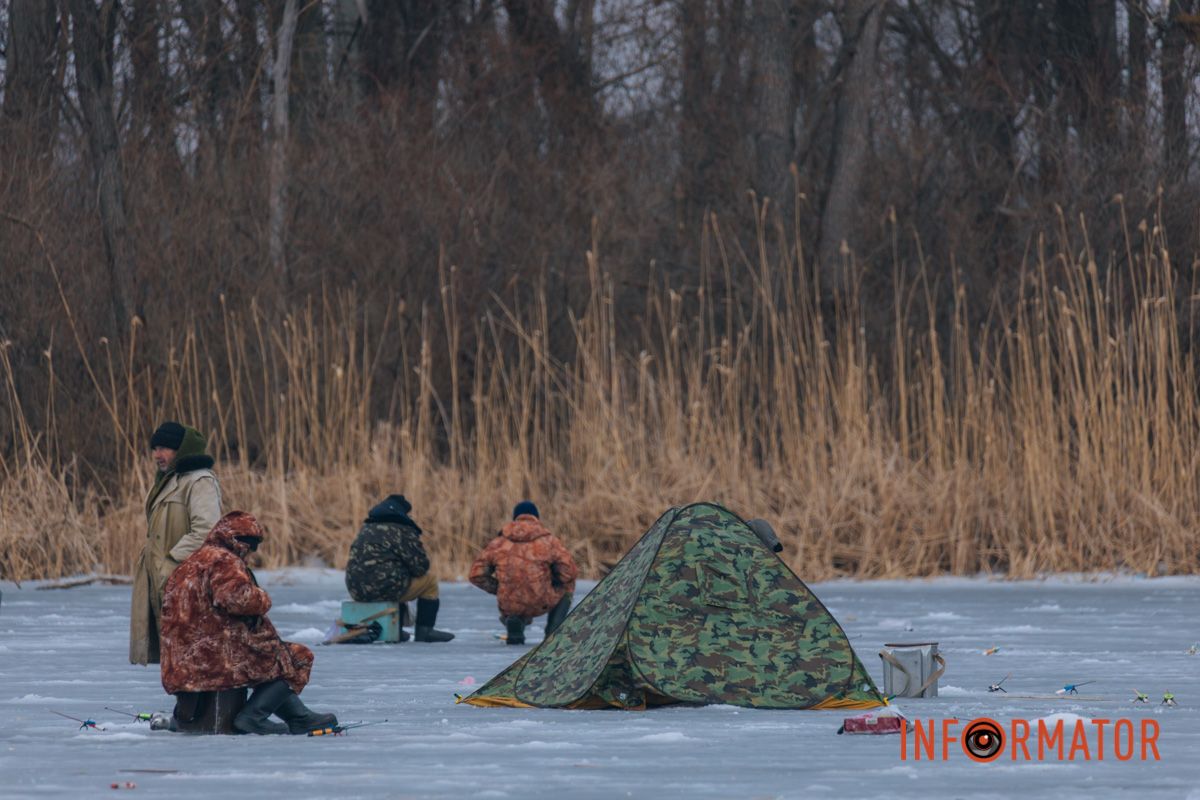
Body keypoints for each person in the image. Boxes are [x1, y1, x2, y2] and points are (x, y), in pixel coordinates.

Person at [160, 511, 339, 735]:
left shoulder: (191, 562)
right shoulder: (223, 560)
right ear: (235, 540)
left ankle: (299, 716)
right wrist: (263, 597)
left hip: (182, 663)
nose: (251, 551)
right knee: (297, 658)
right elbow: (238, 599)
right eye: (250, 545)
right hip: (216, 660)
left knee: (272, 659)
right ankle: (253, 717)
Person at [130, 421, 222, 665]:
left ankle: (193, 703)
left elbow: (207, 531)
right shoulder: (170, 480)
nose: (157, 455)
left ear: (180, 449)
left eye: (164, 448)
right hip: (167, 579)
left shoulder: (198, 480)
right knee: (174, 649)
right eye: (155, 448)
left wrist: (171, 562)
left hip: (184, 579)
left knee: (191, 648)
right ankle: (184, 703)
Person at [344, 494, 454, 643]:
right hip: (385, 589)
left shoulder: (366, 530)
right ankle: (425, 631)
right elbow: (420, 568)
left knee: (395, 578)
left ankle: (395, 630)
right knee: (429, 581)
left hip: (356, 591)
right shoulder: (402, 531)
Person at [469, 501, 578, 645]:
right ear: (536, 517)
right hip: (541, 600)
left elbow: (476, 574)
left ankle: (515, 622)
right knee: (569, 585)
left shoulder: (499, 542)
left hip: (509, 604)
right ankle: (552, 631)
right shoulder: (549, 541)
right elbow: (569, 573)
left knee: (512, 599)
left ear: (515, 518)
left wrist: (499, 588)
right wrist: (551, 580)